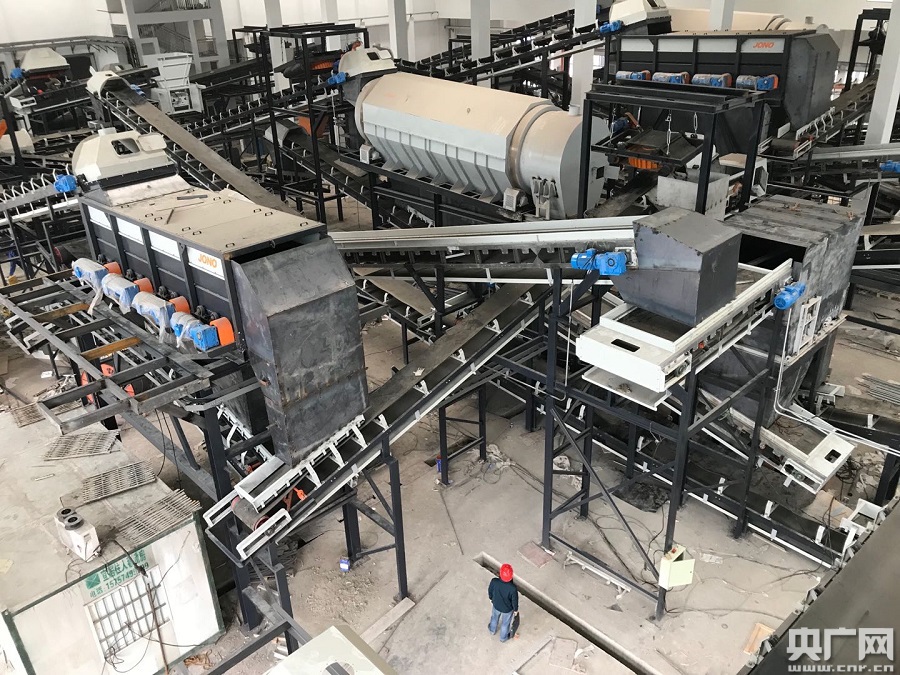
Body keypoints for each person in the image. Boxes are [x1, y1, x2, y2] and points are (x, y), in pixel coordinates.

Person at [487, 563, 518, 642]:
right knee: (505, 624)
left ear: (500, 573)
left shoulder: (494, 581)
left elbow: (490, 591)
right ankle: (503, 638)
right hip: (507, 610)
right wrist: (515, 610)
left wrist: (491, 598)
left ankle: (492, 630)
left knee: (494, 618)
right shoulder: (513, 588)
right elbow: (514, 600)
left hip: (496, 605)